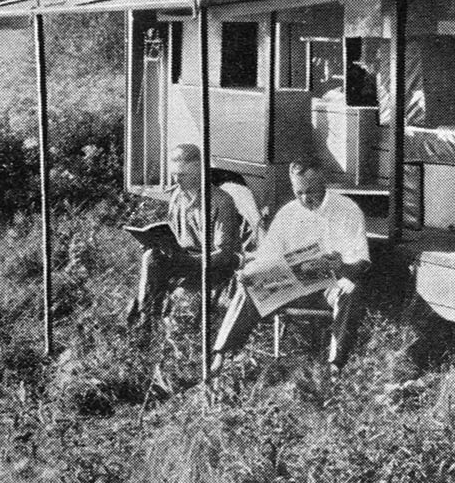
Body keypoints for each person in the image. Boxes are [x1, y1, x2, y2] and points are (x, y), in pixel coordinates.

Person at [211, 156, 370, 370]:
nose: (305, 198)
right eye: (298, 192)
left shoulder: (347, 210)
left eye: (311, 191)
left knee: (349, 289)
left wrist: (340, 266)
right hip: (292, 288)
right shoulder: (288, 213)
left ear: (323, 181)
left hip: (330, 288)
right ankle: (221, 357)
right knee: (248, 287)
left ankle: (336, 366)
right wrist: (250, 272)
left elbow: (362, 264)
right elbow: (267, 256)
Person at [126, 143, 245, 327]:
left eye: (183, 175)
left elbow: (224, 255)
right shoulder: (177, 197)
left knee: (178, 300)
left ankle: (154, 319)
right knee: (151, 257)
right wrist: (155, 242)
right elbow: (174, 234)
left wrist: (188, 261)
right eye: (174, 174)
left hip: (214, 265)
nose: (177, 180)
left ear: (199, 173)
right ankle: (145, 317)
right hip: (185, 258)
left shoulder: (221, 201)